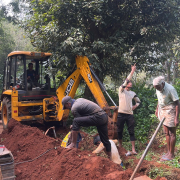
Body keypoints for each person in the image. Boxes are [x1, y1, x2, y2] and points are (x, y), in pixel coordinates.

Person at [153, 76, 179, 161]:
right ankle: (168, 152)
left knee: (172, 133)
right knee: (166, 132)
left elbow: (177, 103)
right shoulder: (157, 87)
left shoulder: (171, 89)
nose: (157, 89)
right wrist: (157, 109)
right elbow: (159, 100)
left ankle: (171, 154)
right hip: (162, 110)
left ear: (162, 83)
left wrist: (176, 118)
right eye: (156, 88)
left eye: (158, 87)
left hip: (171, 110)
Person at [117, 64, 141, 154]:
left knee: (131, 131)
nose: (130, 82)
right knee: (119, 130)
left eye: (130, 82)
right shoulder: (121, 90)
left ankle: (133, 149)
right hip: (121, 114)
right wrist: (132, 71)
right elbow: (126, 80)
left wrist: (135, 106)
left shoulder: (132, 93)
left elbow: (138, 101)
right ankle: (120, 146)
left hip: (129, 115)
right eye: (129, 81)